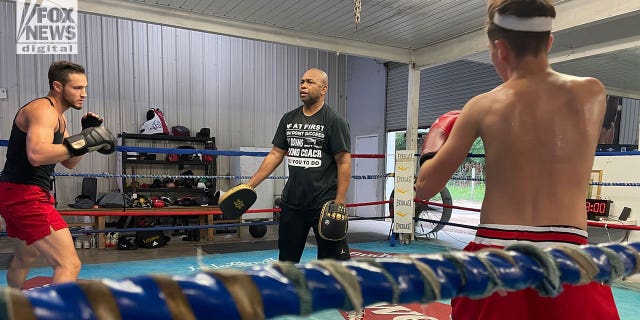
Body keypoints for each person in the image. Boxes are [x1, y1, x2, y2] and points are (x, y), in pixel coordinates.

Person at [414, 0, 619, 319]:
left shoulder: (481, 107)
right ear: (549, 42)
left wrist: (435, 141)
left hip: (497, 258)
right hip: (570, 257)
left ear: (499, 49)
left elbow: (425, 188)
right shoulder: (592, 93)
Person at [0, 61, 116, 289]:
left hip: (14, 191)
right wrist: (84, 142)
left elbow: (69, 161)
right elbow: (36, 154)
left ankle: (11, 306)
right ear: (58, 86)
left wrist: (85, 136)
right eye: (77, 88)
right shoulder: (43, 111)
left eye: (85, 87)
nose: (84, 94)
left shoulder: (59, 118)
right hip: (26, 195)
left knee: (26, 256)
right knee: (69, 264)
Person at [246, 68, 352, 263]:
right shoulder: (289, 119)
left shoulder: (335, 121)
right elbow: (276, 154)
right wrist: (248, 186)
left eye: (310, 82)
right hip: (292, 203)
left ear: (323, 89)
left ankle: (336, 291)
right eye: (302, 81)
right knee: (287, 260)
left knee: (333, 263)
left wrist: (340, 201)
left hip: (324, 203)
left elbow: (343, 161)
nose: (303, 85)